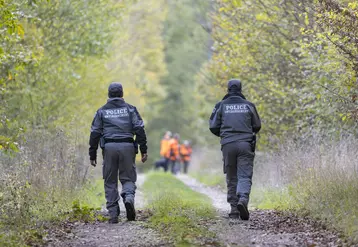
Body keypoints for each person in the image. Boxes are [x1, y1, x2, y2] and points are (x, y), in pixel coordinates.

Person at [89, 82, 148, 223]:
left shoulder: (101, 111)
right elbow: (139, 129)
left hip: (109, 148)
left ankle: (114, 214)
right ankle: (128, 197)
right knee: (128, 178)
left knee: (110, 181)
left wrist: (92, 153)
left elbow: (95, 132)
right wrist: (143, 150)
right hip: (127, 146)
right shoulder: (130, 109)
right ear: (122, 94)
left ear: (109, 94)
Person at [209, 79, 261, 220]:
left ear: (228, 89)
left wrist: (225, 135)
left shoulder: (221, 105)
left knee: (231, 176)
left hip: (228, 145)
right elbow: (257, 125)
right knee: (244, 175)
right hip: (245, 144)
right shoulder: (249, 105)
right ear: (240, 89)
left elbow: (213, 126)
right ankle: (242, 199)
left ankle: (233, 210)